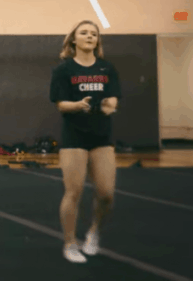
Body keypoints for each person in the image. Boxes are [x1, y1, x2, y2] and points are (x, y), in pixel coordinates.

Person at [51, 20, 119, 264]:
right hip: (74, 137)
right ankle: (70, 243)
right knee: (74, 191)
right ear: (73, 40)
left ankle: (94, 231)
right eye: (84, 33)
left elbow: (113, 98)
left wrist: (109, 106)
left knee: (106, 194)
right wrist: (78, 105)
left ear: (97, 41)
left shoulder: (106, 69)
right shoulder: (64, 70)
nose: (89, 36)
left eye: (94, 33)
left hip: (101, 137)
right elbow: (60, 104)